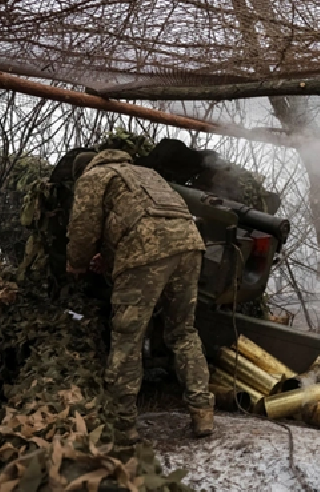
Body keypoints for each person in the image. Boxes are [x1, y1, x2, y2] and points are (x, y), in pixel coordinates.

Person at [66, 149, 214, 440]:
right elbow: (140, 218)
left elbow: (83, 230)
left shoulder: (93, 177)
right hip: (189, 245)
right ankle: (202, 413)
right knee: (183, 331)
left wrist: (76, 264)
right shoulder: (146, 174)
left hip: (147, 250)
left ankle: (123, 423)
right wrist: (110, 258)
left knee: (127, 335)